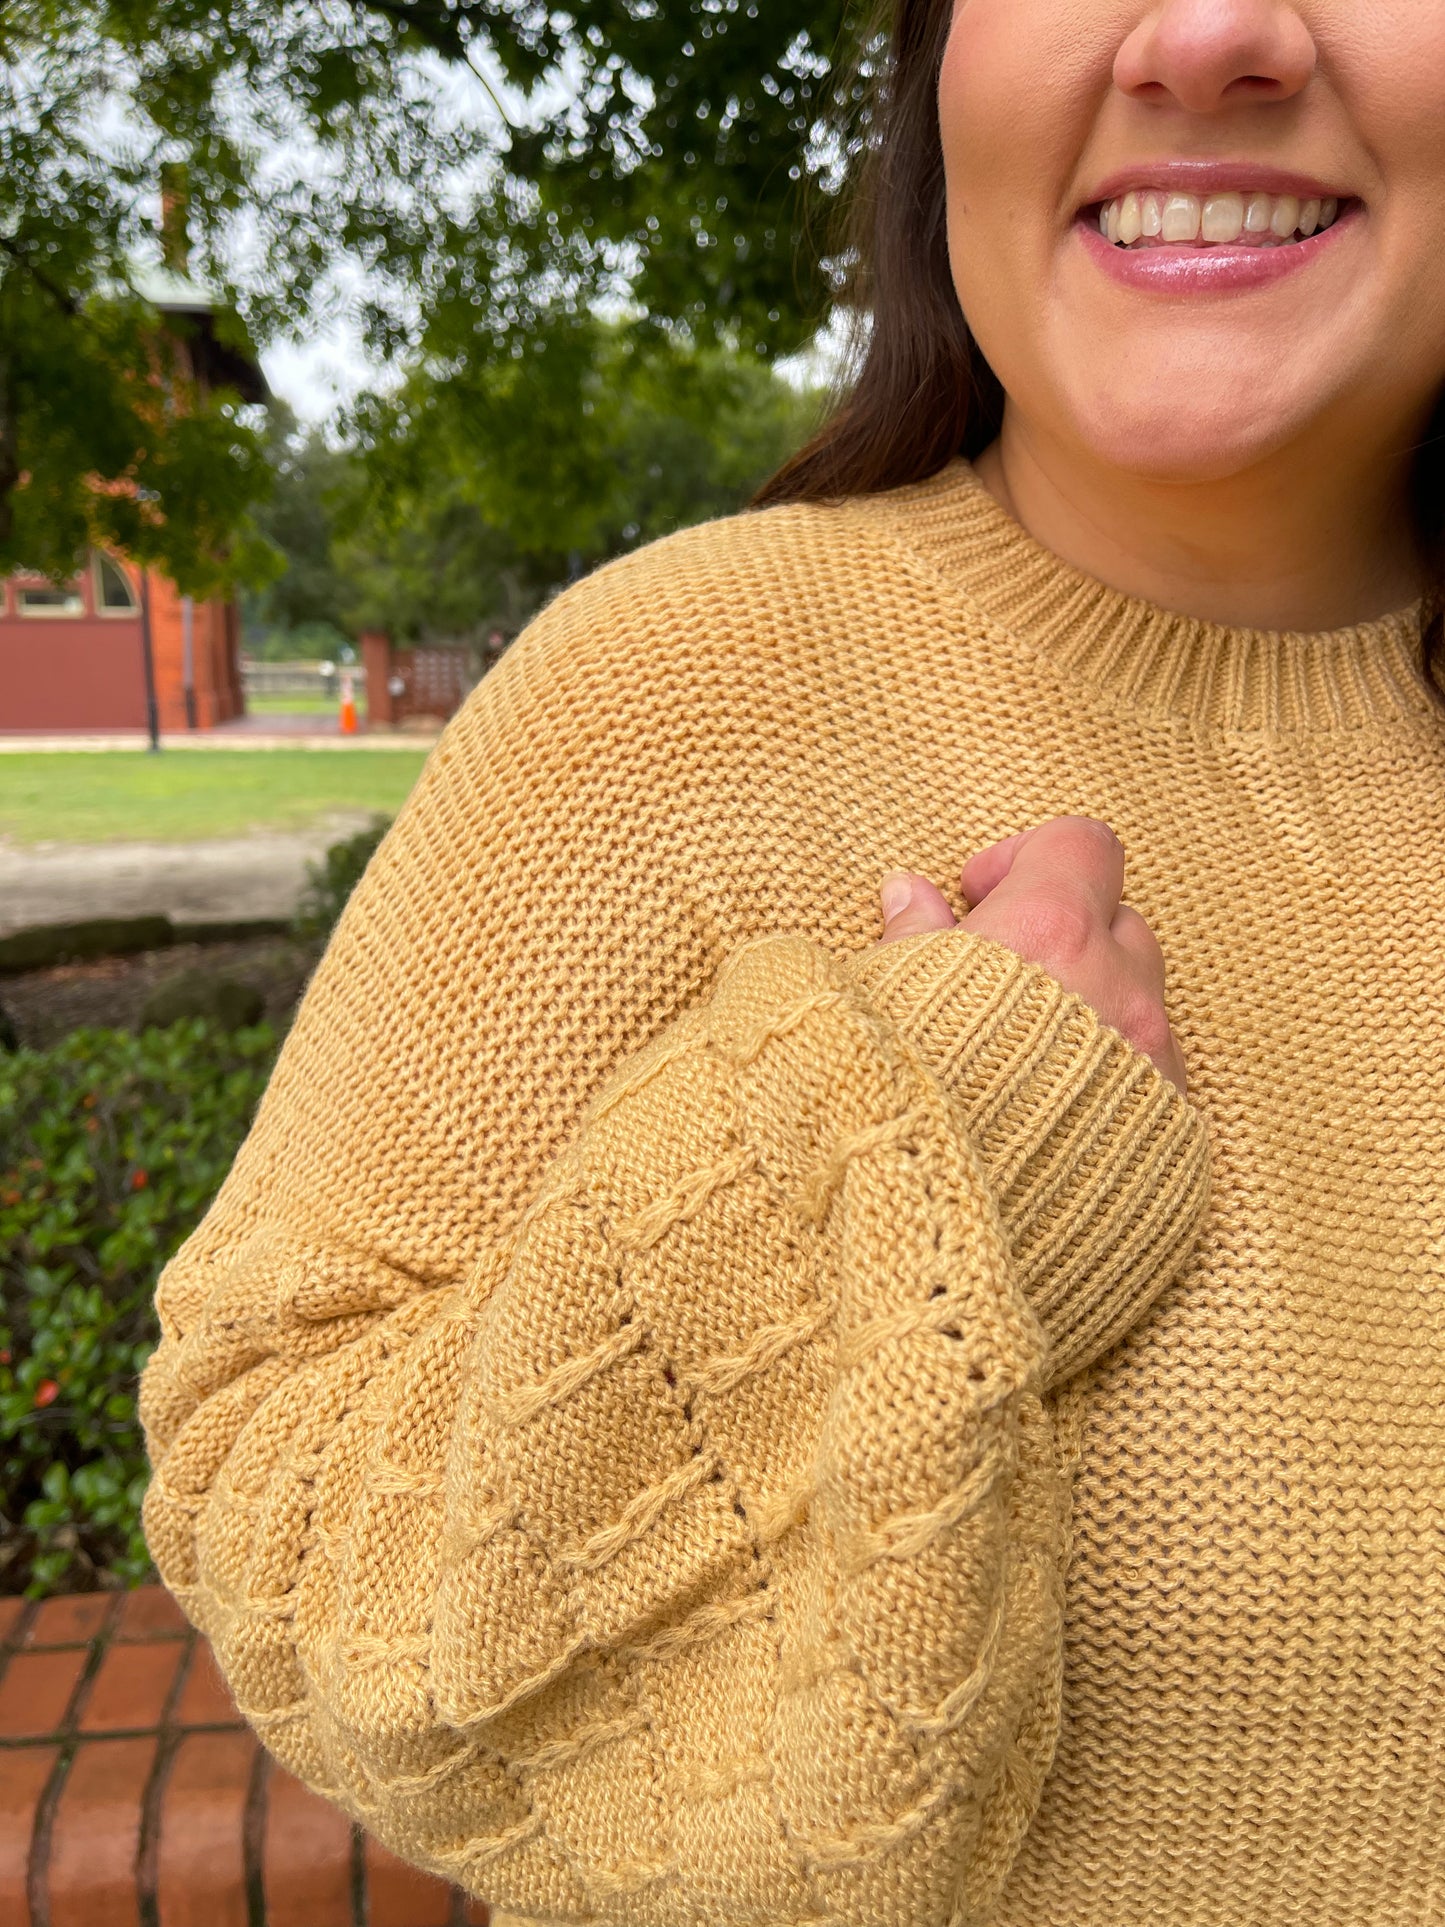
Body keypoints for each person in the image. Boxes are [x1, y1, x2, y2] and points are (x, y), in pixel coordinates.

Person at [137, 1, 1445, 1922]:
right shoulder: (674, 695)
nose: (1210, 34)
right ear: (939, 74)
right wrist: (939, 1151)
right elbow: (281, 1533)